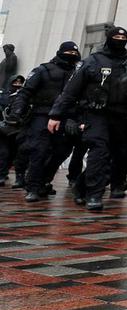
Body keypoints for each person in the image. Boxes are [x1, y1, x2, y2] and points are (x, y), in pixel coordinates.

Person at [48, 27, 127, 212]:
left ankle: (81, 186)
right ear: (108, 38)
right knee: (99, 151)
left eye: (123, 37)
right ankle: (94, 195)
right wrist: (56, 115)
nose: (120, 40)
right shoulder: (93, 61)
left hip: (121, 117)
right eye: (116, 37)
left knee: (117, 155)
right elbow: (71, 90)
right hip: (96, 115)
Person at [11, 42, 80, 202]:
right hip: (41, 115)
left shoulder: (79, 73)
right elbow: (25, 92)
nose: (71, 55)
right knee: (39, 151)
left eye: (74, 52)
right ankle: (33, 187)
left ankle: (44, 180)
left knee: (61, 152)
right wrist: (17, 111)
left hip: (67, 118)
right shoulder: (43, 70)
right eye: (68, 52)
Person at [0, 76, 27, 185]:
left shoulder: (24, 96)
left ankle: (4, 172)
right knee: (3, 152)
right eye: (15, 82)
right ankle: (1, 174)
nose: (17, 84)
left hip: (17, 130)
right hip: (3, 129)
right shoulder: (3, 95)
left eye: (20, 82)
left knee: (13, 153)